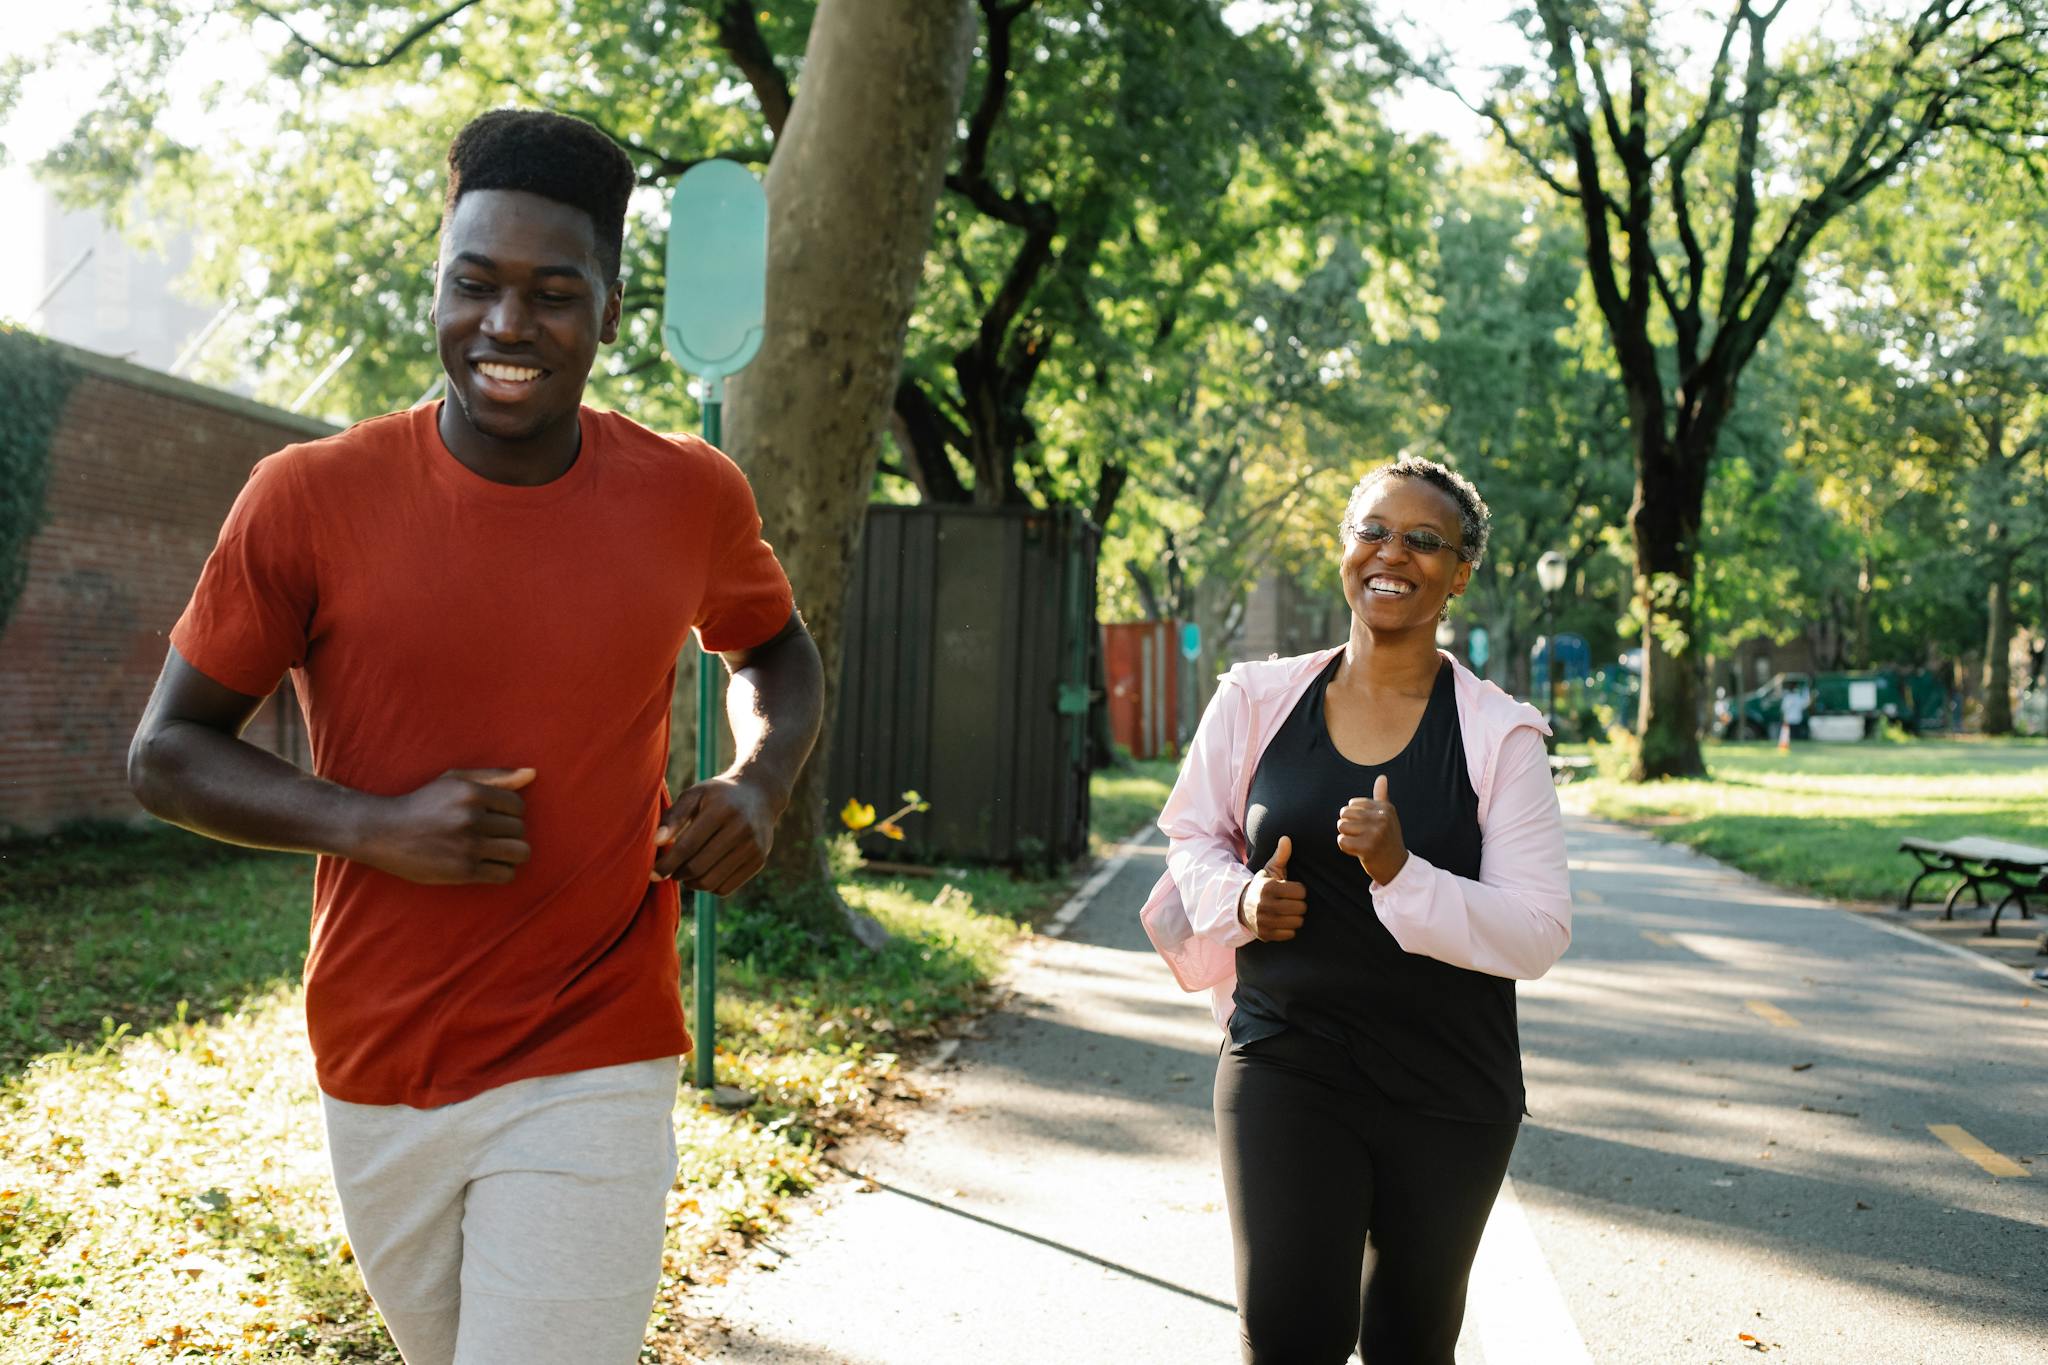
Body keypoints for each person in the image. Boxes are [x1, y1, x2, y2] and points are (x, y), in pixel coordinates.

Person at [127, 109, 823, 1365]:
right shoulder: (307, 498)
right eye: (475, 284)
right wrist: (372, 827)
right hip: (379, 1047)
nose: (506, 326)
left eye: (554, 293)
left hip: (596, 1036)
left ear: (612, 313)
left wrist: (760, 778)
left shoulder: (686, 495)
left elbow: (772, 644)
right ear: (437, 288)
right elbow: (167, 751)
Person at [1140, 455, 1572, 1364]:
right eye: (1373, 530)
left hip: (1450, 1086)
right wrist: (1244, 897)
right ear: (1344, 549)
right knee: (1292, 1335)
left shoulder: (1501, 734)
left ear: (1460, 574)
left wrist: (1404, 871)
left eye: (1425, 541)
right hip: (1284, 1061)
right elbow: (1190, 838)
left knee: (1410, 1346)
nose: (1393, 554)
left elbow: (1537, 932)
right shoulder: (1256, 698)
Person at [1779, 684, 1808, 749]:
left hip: (1789, 719)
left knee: (1789, 734)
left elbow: (1783, 709)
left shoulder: (1787, 698)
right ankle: (1796, 745)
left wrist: (1783, 718)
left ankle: (1791, 744)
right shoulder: (1798, 697)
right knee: (1796, 733)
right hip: (1797, 719)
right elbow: (1804, 705)